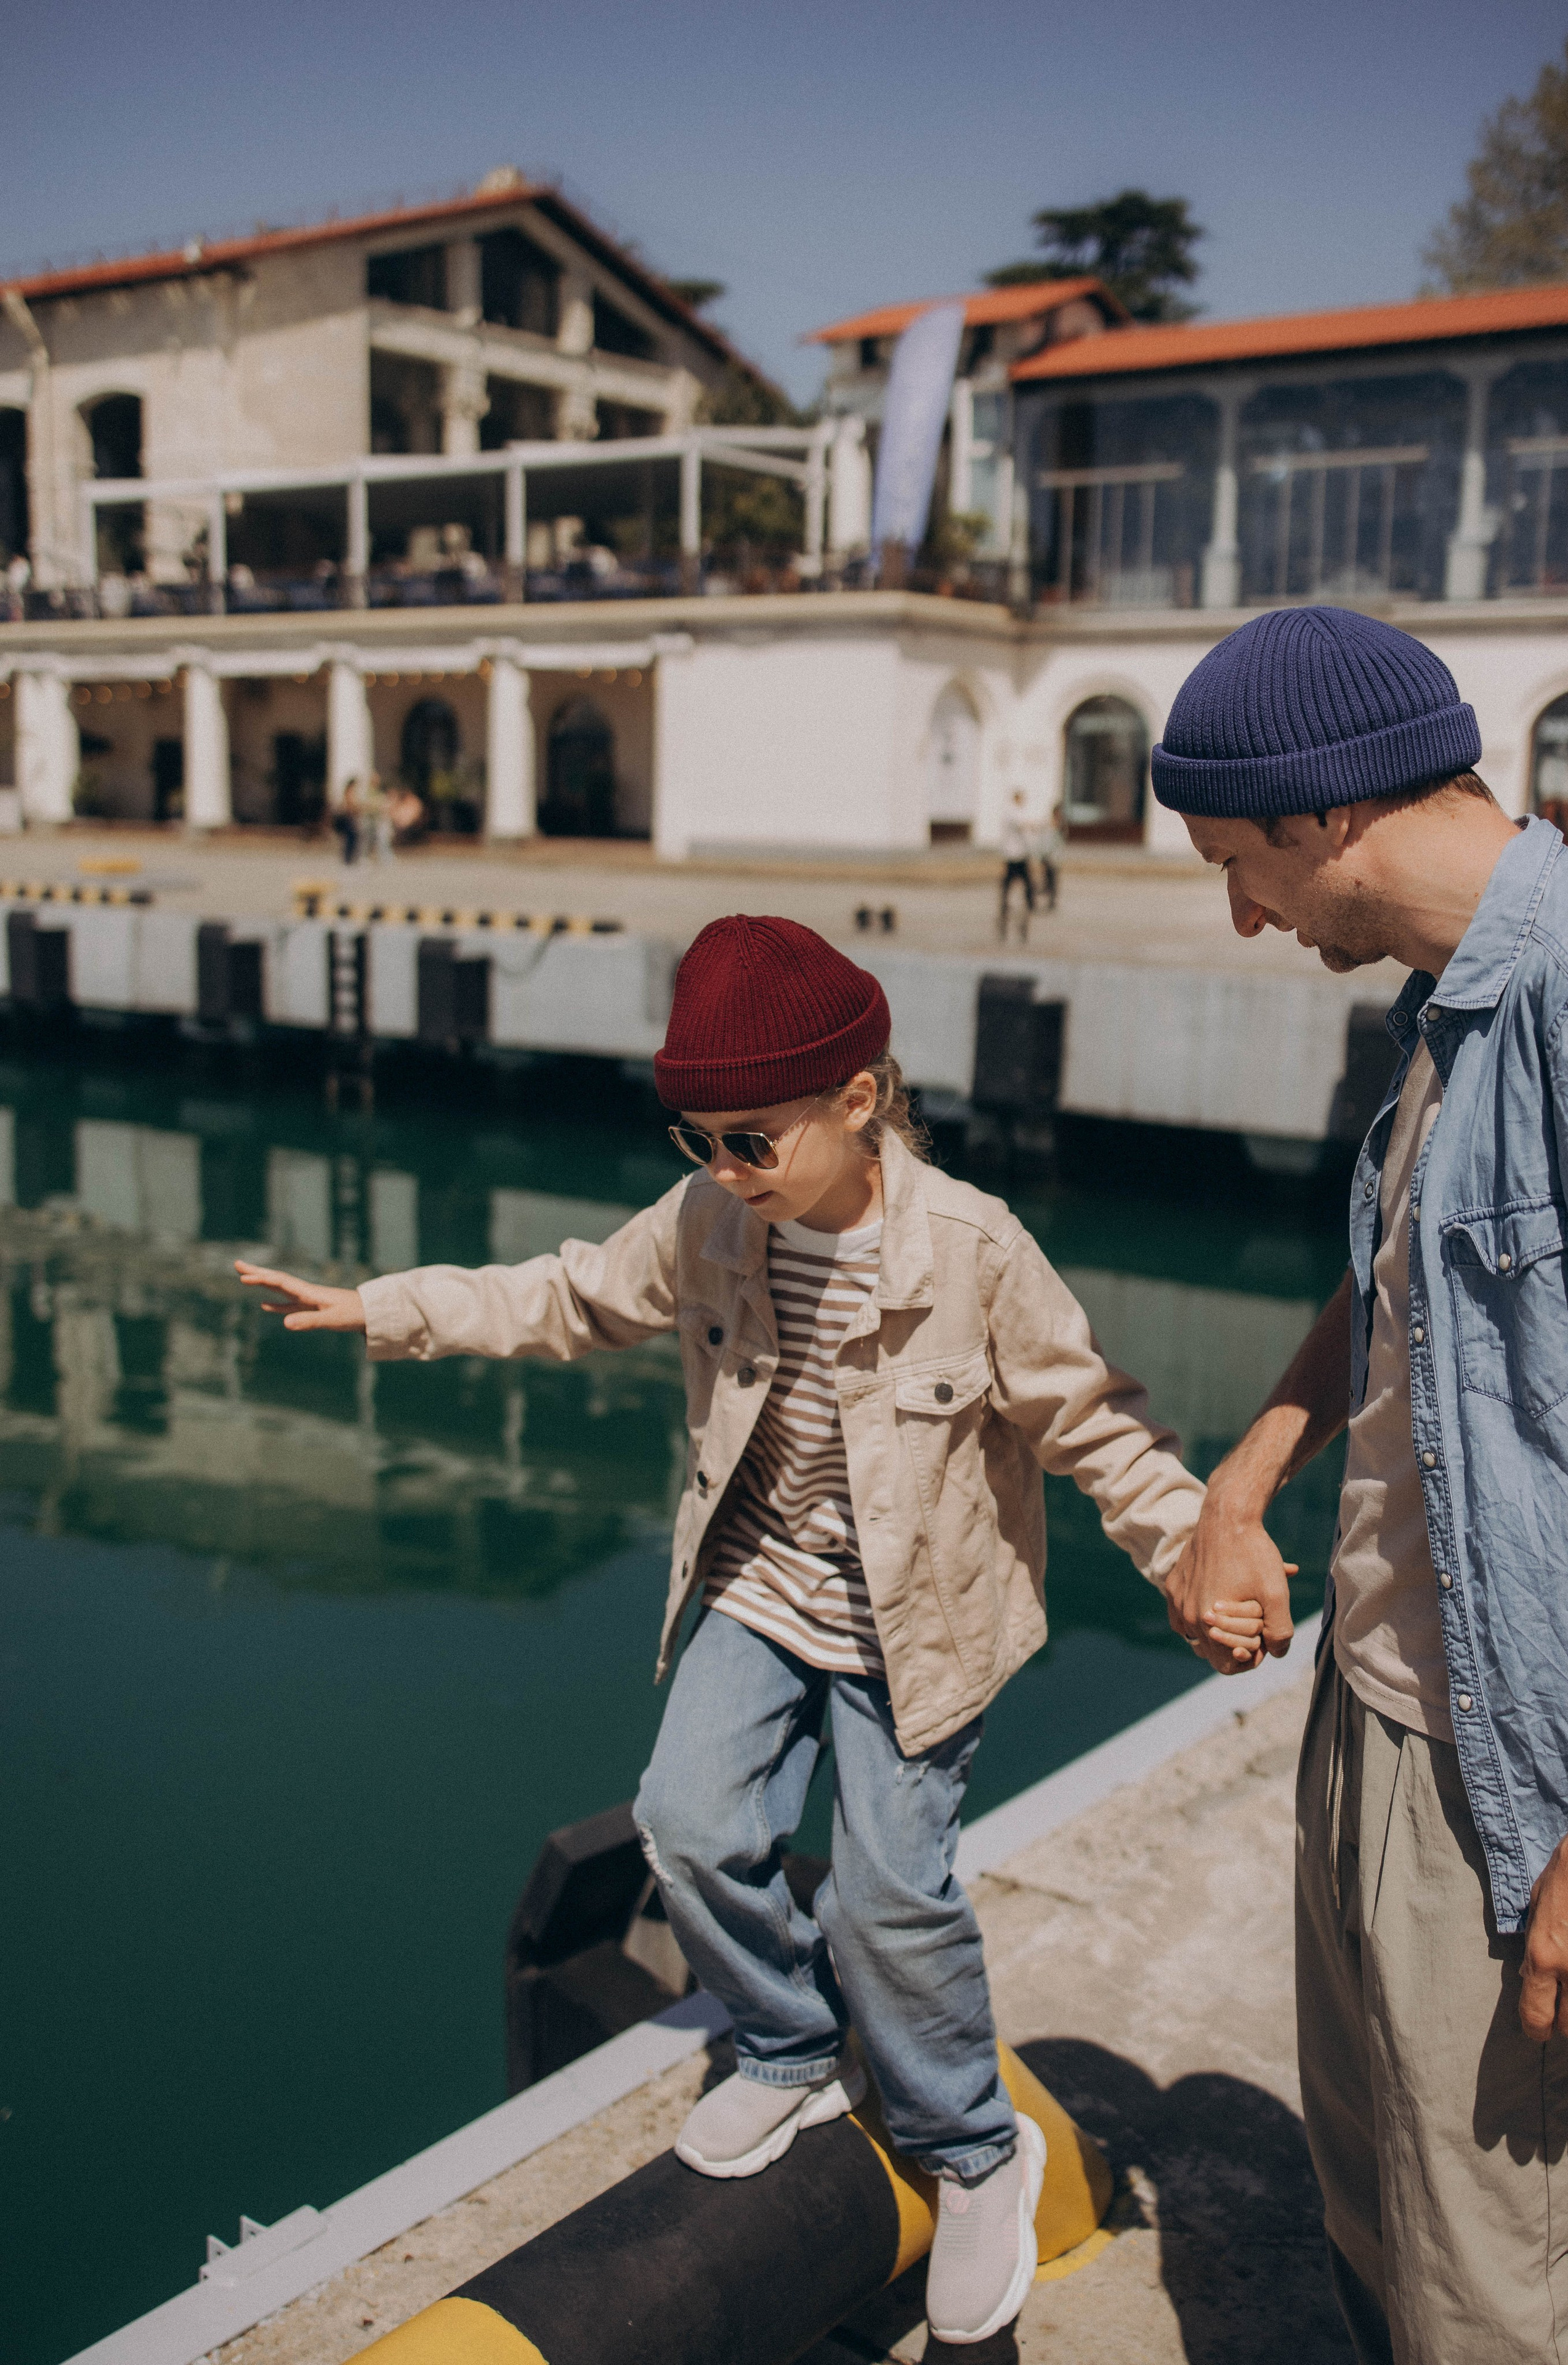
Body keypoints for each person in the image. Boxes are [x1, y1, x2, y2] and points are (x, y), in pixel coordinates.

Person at [235, 914, 1232, 2348]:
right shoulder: (711, 1222)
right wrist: (386, 1307)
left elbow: (1094, 1427)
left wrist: (1192, 1553)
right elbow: (572, 1293)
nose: (723, 1168)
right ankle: (783, 2037)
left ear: (857, 1096)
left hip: (915, 1627)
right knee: (685, 1824)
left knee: (890, 1899)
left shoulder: (972, 1250)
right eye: (695, 1136)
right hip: (762, 1595)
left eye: (750, 1137)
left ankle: (970, 2149)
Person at [1154, 604, 1568, 2365]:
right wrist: (1248, 1476)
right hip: (1382, 1708)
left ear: (1330, 815)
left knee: (1496, 2292)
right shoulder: (1440, 1011)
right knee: (1373, 2212)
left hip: (1522, 1779)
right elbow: (1405, 1280)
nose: (1245, 914)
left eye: (1241, 864)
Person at [998, 790, 1036, 942]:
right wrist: (1035, 826)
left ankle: (1009, 905)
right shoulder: (1012, 812)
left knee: (1021, 882)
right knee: (1016, 882)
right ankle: (1007, 906)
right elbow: (1020, 826)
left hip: (1019, 854)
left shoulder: (1017, 812)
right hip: (1014, 855)